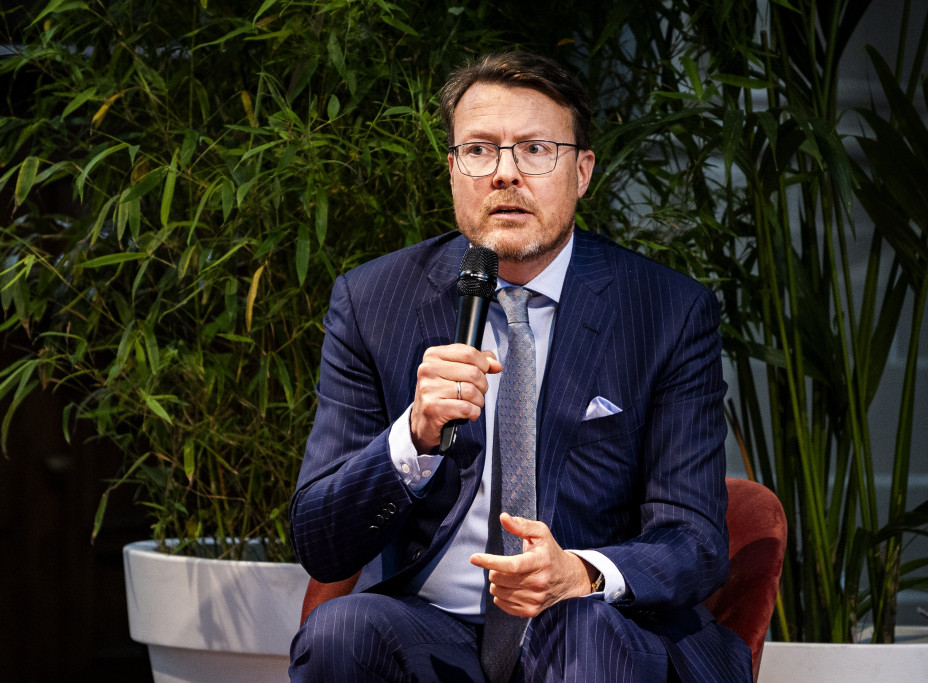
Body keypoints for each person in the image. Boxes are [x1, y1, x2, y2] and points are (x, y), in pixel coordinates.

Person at [288, 51, 752, 682]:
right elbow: (320, 543)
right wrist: (412, 438)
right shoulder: (373, 302)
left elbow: (693, 539)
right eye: (479, 150)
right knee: (340, 632)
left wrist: (581, 574)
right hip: (436, 630)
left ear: (582, 172)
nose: (505, 173)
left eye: (535, 149)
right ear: (453, 172)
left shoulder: (666, 311)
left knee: (582, 630)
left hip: (597, 628)